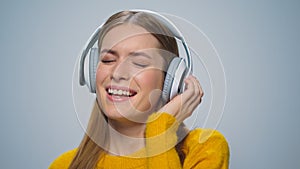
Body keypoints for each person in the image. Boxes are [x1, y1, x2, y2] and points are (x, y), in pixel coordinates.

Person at [49, 10, 229, 169]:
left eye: (139, 63)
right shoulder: (64, 165)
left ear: (171, 81)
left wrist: (159, 131)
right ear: (90, 72)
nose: (118, 74)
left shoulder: (204, 149)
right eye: (108, 60)